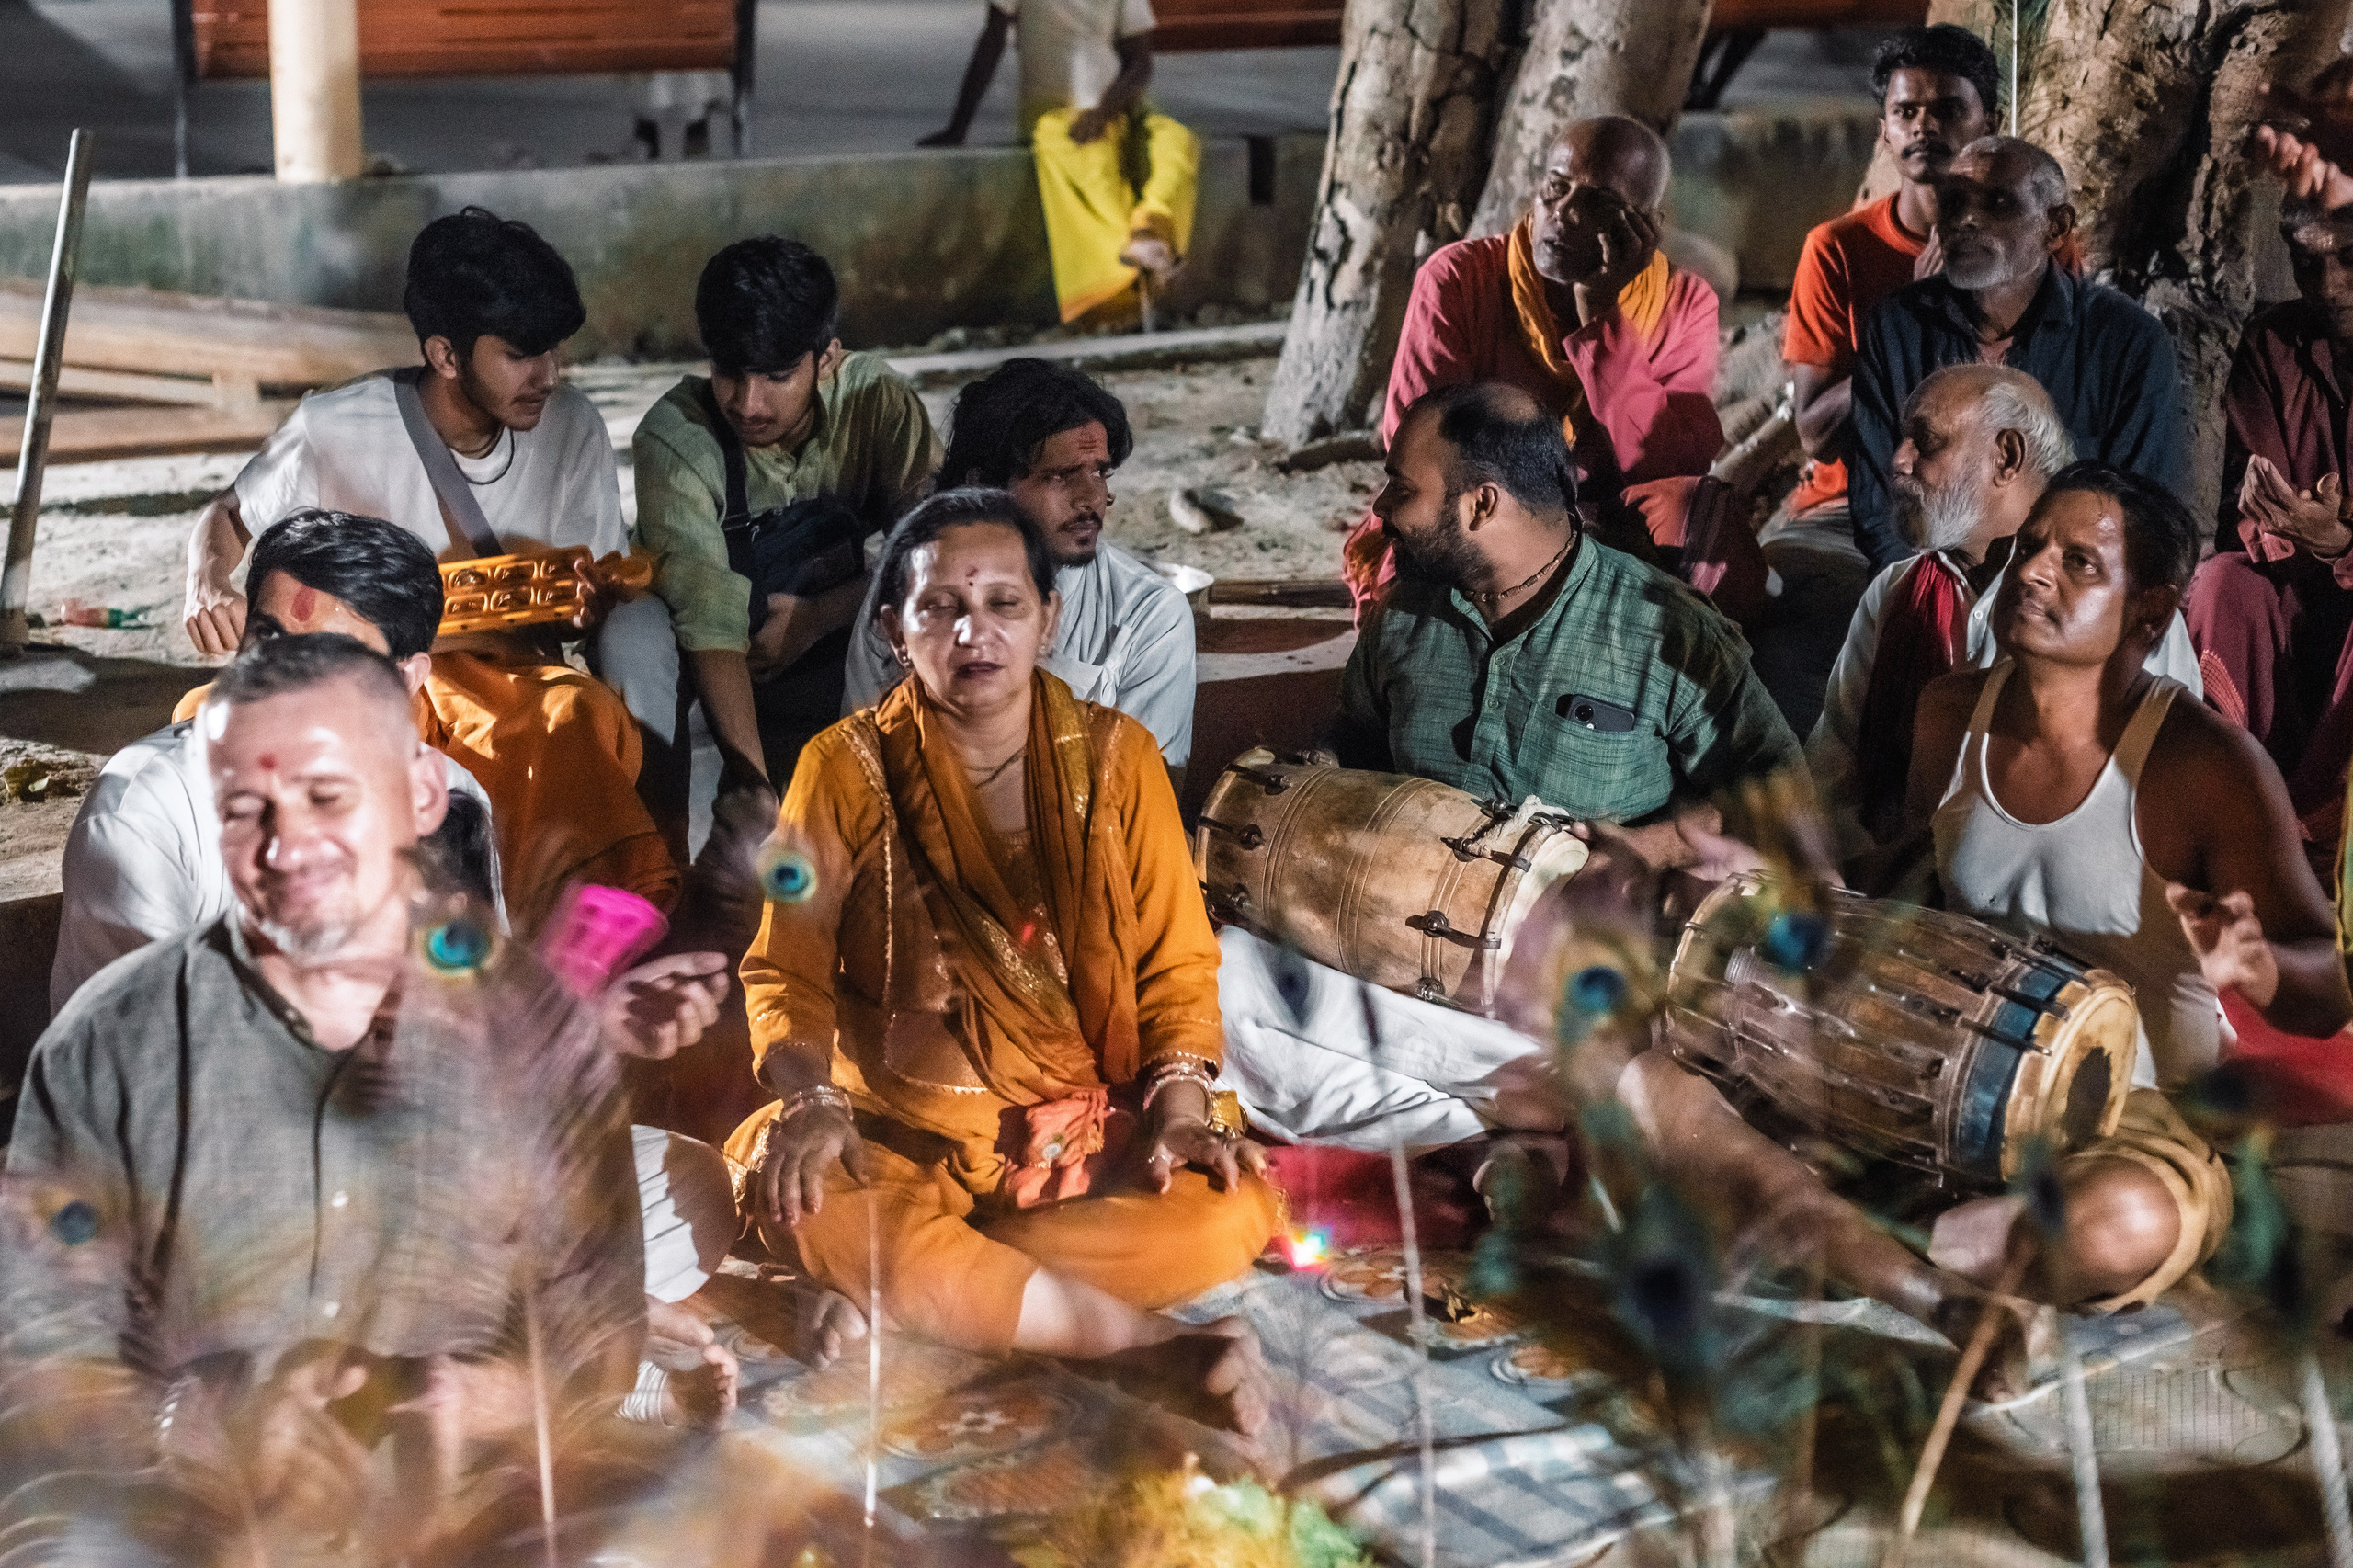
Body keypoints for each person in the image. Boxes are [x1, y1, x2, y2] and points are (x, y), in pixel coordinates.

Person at [1624, 463, 2353, 1392]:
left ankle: (1829, 1232)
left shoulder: (2201, 762)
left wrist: (2254, 964)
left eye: (2079, 562)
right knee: (1651, 1079)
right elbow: (1908, 889)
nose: (2035, 571)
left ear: (2148, 611)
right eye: (2030, 547)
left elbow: (2325, 988)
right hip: (1936, 1084)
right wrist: (1780, 888)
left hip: (2126, 1114)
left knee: (2120, 1222)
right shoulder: (1951, 712)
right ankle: (1926, 1271)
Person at [6, 634, 742, 1532]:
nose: (287, 847)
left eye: (328, 797)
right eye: (247, 808)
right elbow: (38, 1353)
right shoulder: (110, 1041)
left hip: (475, 1499)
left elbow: (594, 1326)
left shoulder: (526, 1019)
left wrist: (483, 1395)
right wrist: (196, 1421)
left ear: (421, 794)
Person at [722, 489, 1276, 1427]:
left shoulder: (1120, 759)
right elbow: (785, 969)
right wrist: (811, 1102)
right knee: (811, 1197)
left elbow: (1178, 970)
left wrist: (1179, 1116)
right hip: (893, 1142)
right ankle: (1144, 1349)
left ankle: (953, 1290)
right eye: (940, 607)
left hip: (1078, 1150)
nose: (973, 631)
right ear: (895, 628)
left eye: (1004, 604)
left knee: (1229, 1208)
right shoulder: (841, 766)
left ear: (1047, 619)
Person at [1221, 382, 1802, 1152]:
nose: (1383, 509)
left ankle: (1468, 1122)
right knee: (1228, 975)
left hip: (1567, 976)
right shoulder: (1404, 616)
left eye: (1402, 487)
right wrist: (1317, 771)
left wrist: (1652, 848)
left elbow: (1780, 793)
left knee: (1614, 1045)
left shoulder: (1667, 631)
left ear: (1481, 505)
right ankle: (1503, 1136)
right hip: (1392, 945)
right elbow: (1355, 739)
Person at [179, 207, 676, 936]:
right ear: (446, 355)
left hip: (506, 680)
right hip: (361, 676)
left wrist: (585, 606)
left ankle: (578, 952)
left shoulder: (574, 427)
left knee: (567, 719)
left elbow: (593, 583)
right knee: (207, 723)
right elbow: (227, 516)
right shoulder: (336, 426)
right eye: (520, 355)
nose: (548, 376)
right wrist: (206, 582)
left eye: (554, 352)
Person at [54, 510, 502, 1008]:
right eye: (267, 639)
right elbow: (147, 1059)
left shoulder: (445, 799)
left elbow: (467, 1007)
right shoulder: (146, 812)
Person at [1339, 116, 1737, 616]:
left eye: (1598, 203)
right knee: (1423, 566)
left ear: (1644, 225)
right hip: (1481, 514)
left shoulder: (1683, 303)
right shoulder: (1459, 279)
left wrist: (1602, 320)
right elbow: (1420, 444)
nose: (1564, 214)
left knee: (1702, 527)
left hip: (1610, 525)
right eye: (1556, 187)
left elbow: (1671, 462)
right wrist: (1547, 531)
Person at [1809, 365, 2201, 857]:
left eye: (1925, 442)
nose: (1899, 461)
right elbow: (1832, 773)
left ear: (2006, 457)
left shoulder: (2109, 611)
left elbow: (2141, 803)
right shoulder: (1898, 591)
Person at [631, 237, 939, 825]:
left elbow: (936, 555)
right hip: (721, 673)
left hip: (849, 651)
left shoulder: (877, 402)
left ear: (826, 357)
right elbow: (706, 613)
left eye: (776, 376)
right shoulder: (675, 438)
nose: (748, 404)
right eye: (729, 373)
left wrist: (818, 616)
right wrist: (751, 781)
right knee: (634, 631)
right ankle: (659, 837)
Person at [1847, 138, 2190, 574]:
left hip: (2065, 599)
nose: (1967, 220)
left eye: (1999, 202)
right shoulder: (1895, 329)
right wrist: (1940, 603)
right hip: (1929, 591)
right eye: (1954, 203)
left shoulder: (2127, 342)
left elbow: (2144, 516)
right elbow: (1878, 511)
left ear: (2056, 228)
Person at [842, 358, 1194, 778]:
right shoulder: (907, 594)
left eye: (1099, 472)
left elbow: (1142, 801)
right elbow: (863, 770)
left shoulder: (1151, 616)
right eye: (1061, 476)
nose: (1091, 498)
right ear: (983, 486)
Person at [2183, 196, 2353, 880]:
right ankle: (2232, 800)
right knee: (2223, 582)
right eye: (2310, 265)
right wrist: (2302, 532)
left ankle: (2312, 831)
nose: (2331, 286)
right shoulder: (2274, 342)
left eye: (2349, 260)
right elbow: (2253, 509)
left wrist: (2339, 543)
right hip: (2303, 583)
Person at [1781, 25, 1999, 530]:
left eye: (1948, 110)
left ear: (1991, 123)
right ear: (1885, 130)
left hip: (1989, 504)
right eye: (1906, 112)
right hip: (1852, 507)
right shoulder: (1836, 249)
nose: (1924, 126)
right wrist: (1912, 324)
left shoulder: (2035, 245)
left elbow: (2059, 399)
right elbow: (1817, 435)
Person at [921, 0, 1198, 324]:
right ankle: (1120, 276)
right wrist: (959, 127)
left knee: (1175, 140)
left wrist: (1105, 111)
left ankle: (1150, 227)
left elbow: (1140, 62)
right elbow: (991, 42)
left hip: (1116, 108)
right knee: (1088, 161)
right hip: (1054, 113)